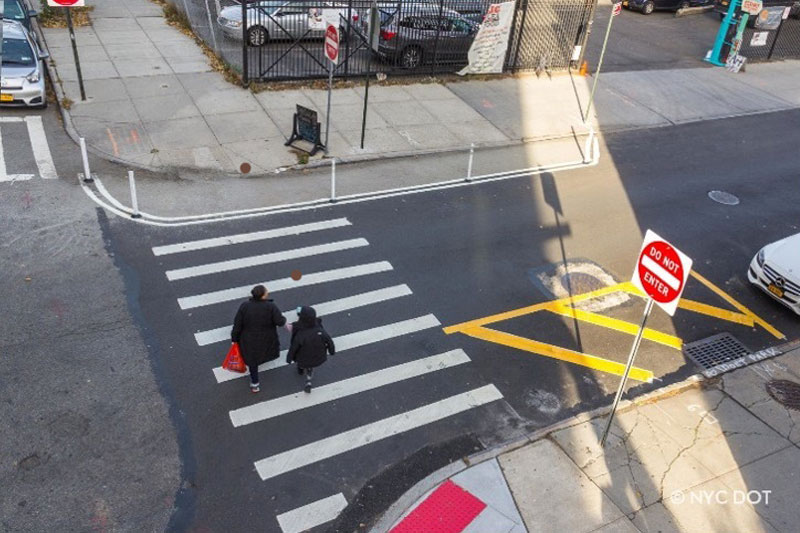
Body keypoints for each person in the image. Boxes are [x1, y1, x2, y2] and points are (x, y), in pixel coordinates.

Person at [231, 285, 287, 393]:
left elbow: (237, 324)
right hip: (266, 338)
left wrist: (234, 339)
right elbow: (280, 321)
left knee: (252, 361)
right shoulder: (271, 306)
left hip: (248, 339)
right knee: (263, 353)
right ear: (263, 295)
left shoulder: (245, 306)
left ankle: (255, 383)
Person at [286, 306, 335, 393]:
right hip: (318, 356)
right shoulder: (320, 330)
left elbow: (294, 347)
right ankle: (308, 380)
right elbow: (329, 341)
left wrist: (289, 358)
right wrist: (331, 351)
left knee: (303, 364)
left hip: (303, 358)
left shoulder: (301, 334)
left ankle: (301, 370)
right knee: (310, 367)